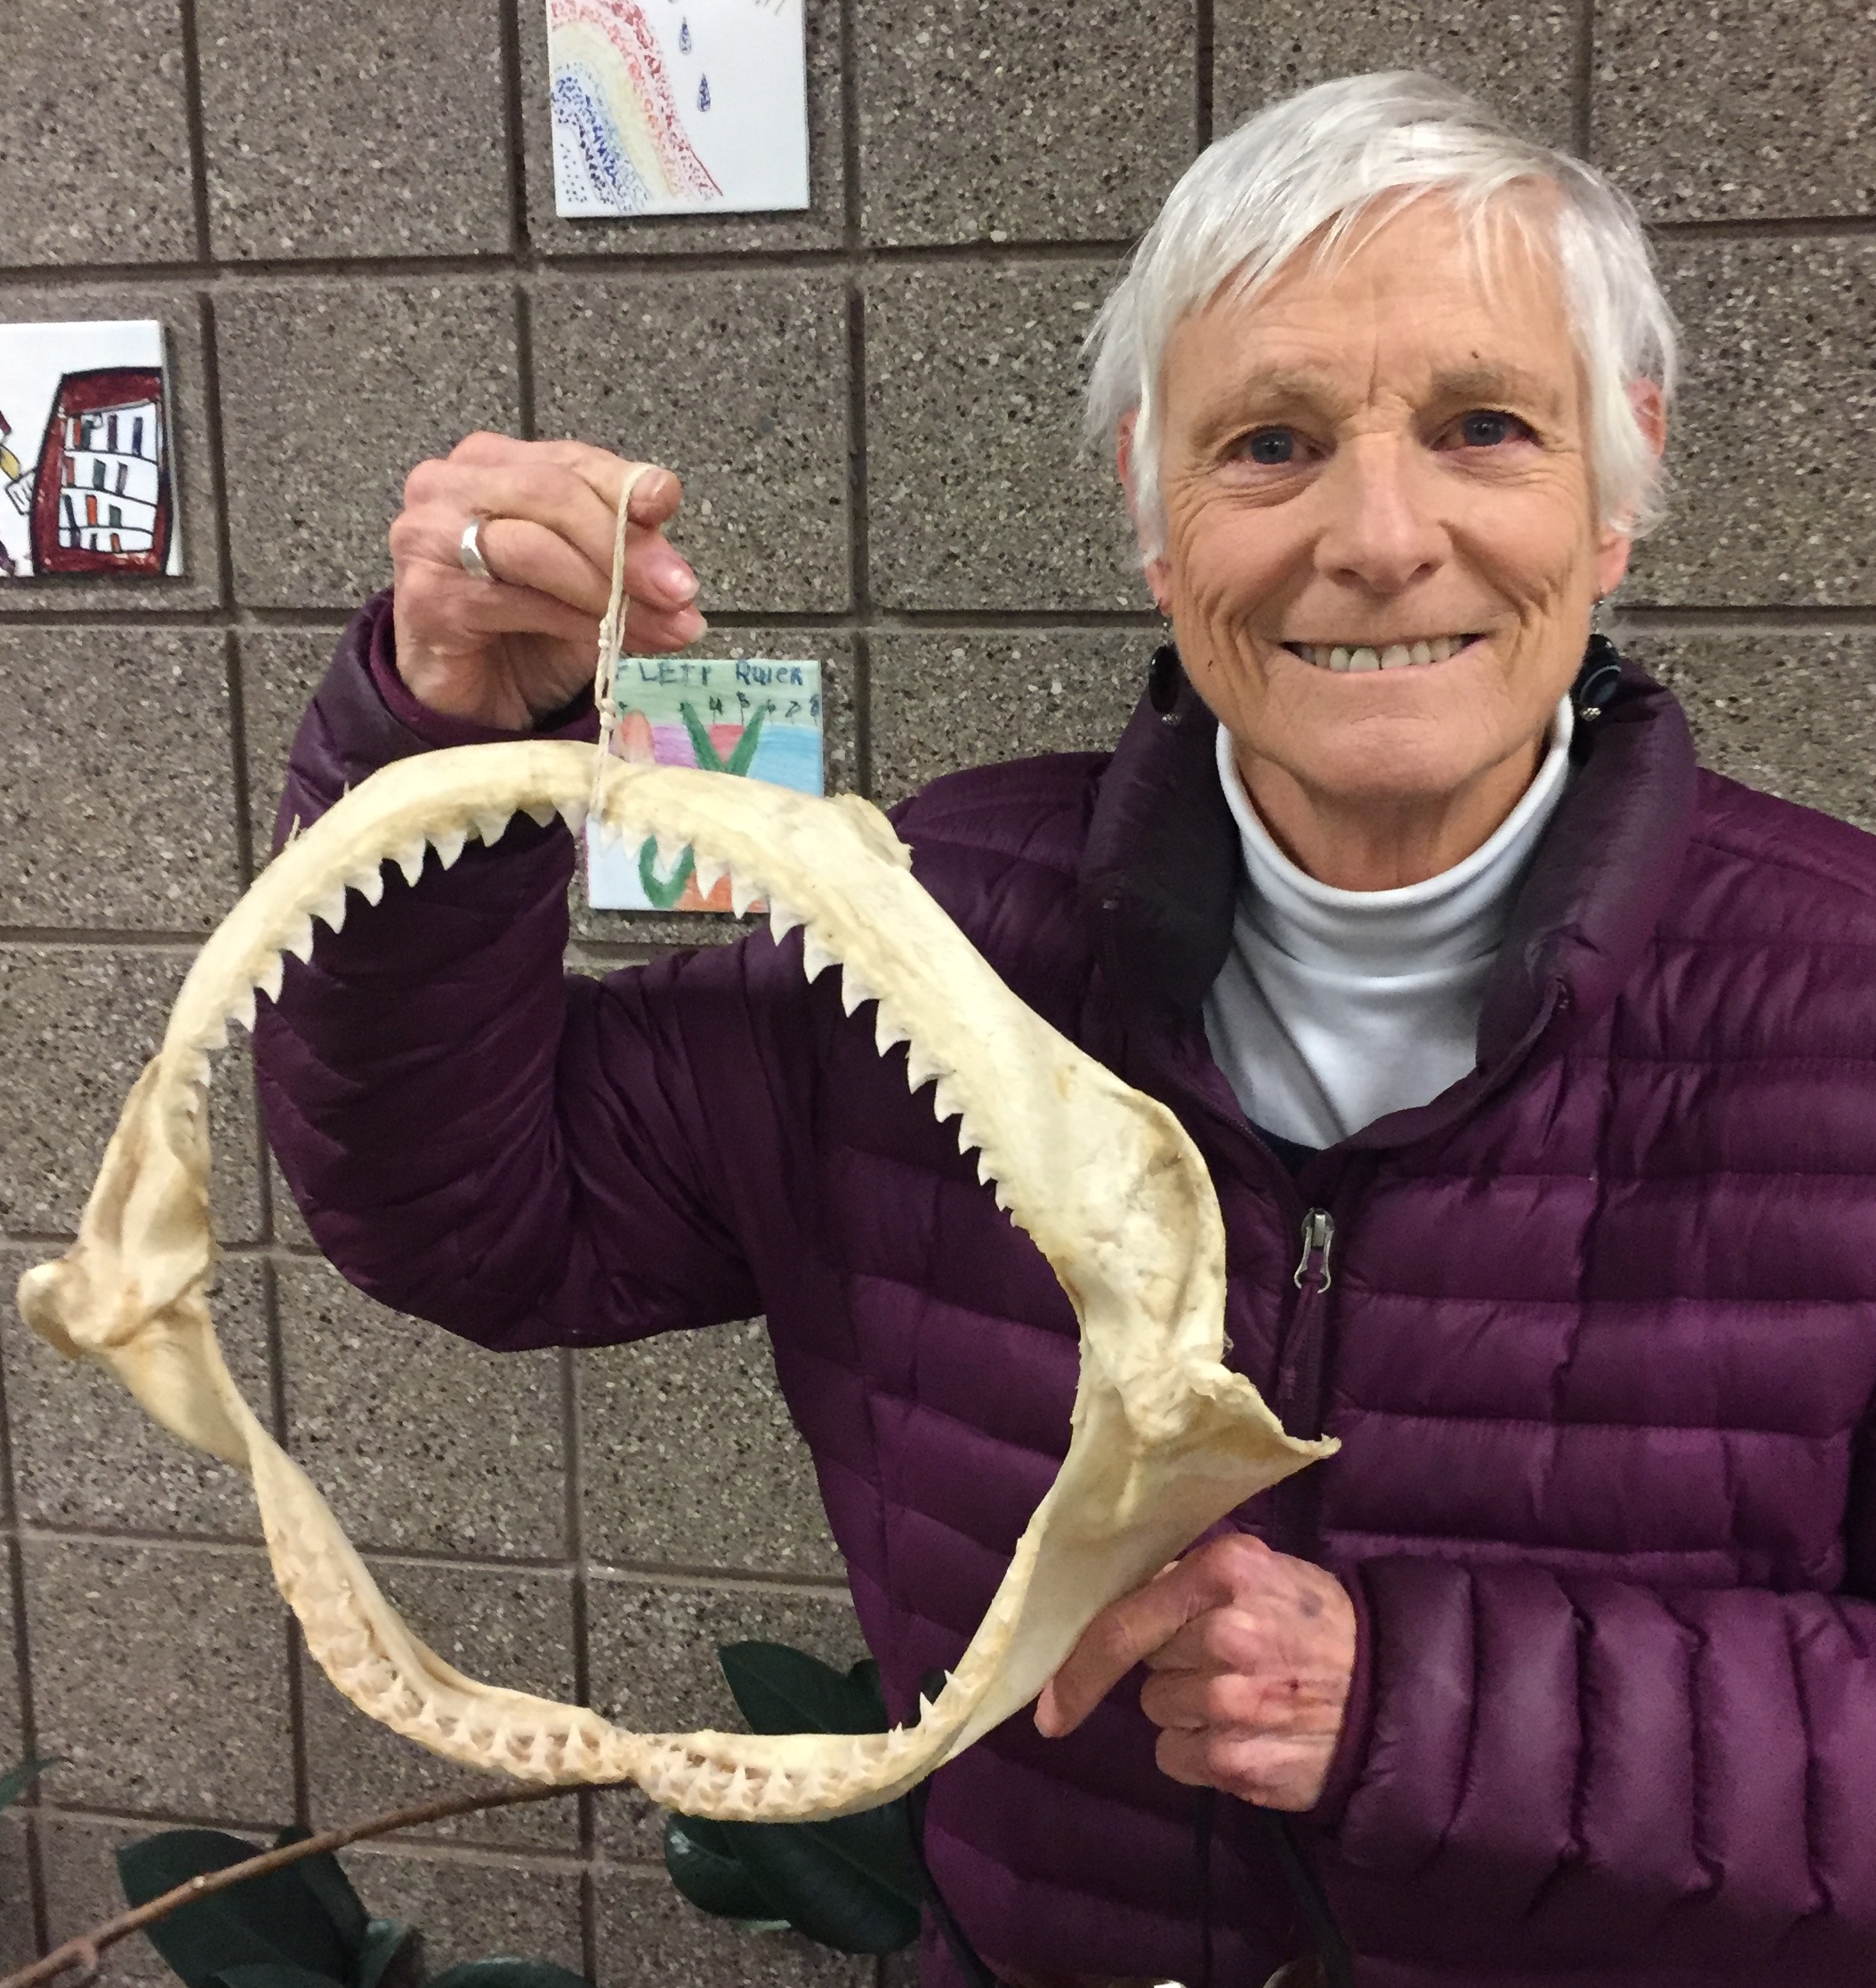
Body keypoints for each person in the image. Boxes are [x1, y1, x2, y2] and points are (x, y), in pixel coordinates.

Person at [255, 72, 1876, 1988]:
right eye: (1266, 443)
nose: (1375, 533)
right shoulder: (931, 929)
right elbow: (476, 1208)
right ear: (1147, 512)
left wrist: (1409, 1704)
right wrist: (450, 744)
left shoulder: (1839, 1006)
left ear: (1612, 496)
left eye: (1483, 428)